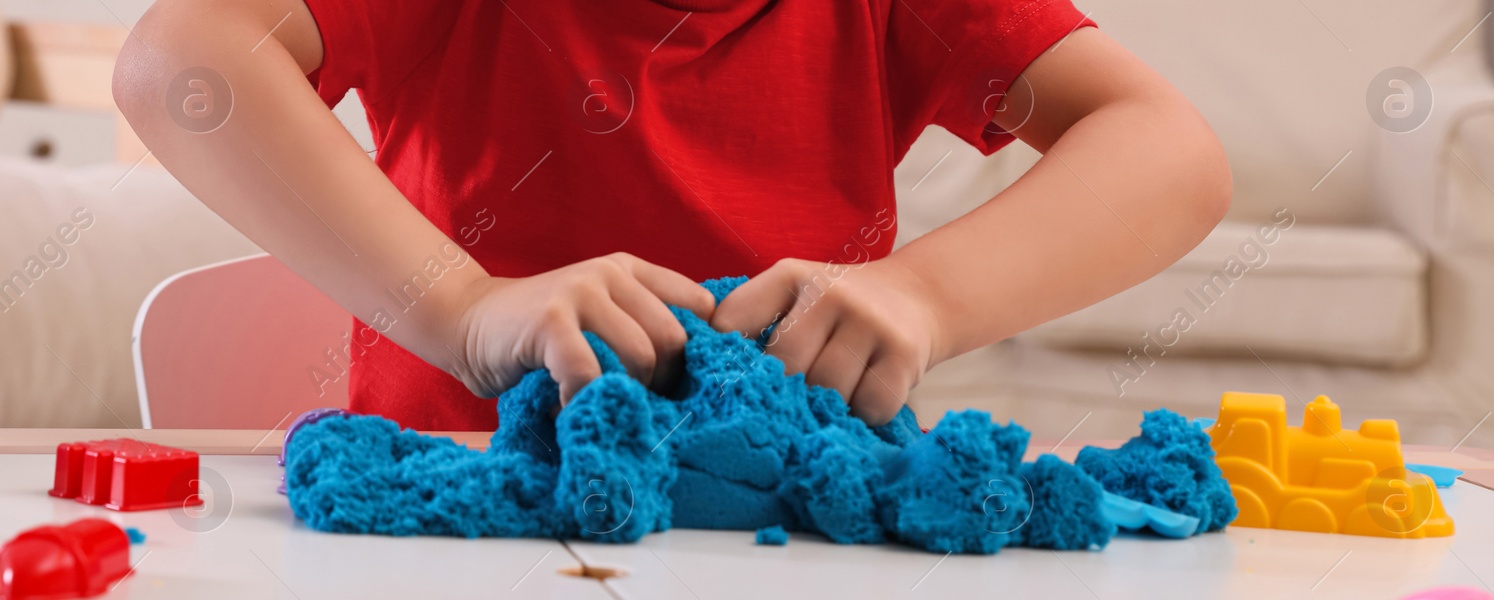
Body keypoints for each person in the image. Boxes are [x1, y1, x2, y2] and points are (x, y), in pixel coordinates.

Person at [112, 0, 1231, 431]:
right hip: (461, 513)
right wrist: (464, 311)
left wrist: (924, 293)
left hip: (775, 528)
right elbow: (178, 62)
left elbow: (1169, 152)